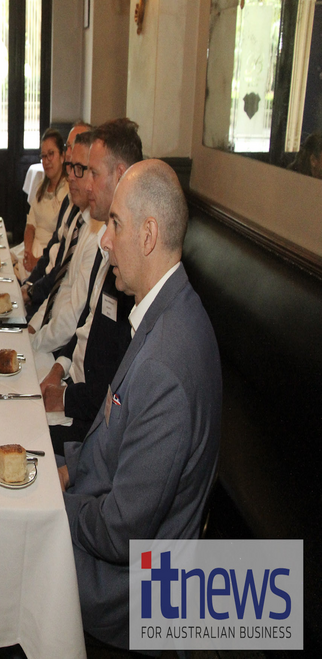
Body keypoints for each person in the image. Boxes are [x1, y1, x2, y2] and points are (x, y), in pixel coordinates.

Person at [60, 159, 222, 651]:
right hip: (113, 529)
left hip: (128, 596)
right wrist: (66, 468)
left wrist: (55, 504)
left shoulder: (166, 365)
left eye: (115, 224)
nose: (104, 239)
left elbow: (119, 535)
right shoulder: (168, 309)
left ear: (148, 234)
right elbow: (114, 439)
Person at [35, 120, 143, 438]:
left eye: (92, 173)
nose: (84, 184)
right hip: (72, 386)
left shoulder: (129, 263)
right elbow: (84, 320)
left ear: (120, 175)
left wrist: (65, 396)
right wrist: (59, 369)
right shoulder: (104, 235)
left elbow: (115, 390)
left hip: (88, 421)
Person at [22, 125, 92, 316]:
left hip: (55, 293)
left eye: (51, 154)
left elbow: (61, 274)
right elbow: (34, 227)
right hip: (44, 266)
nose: (70, 153)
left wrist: (31, 291)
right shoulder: (60, 197)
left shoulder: (71, 195)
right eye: (69, 146)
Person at [12, 128, 70, 282]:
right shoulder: (40, 188)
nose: (46, 161)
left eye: (51, 154)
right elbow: (30, 225)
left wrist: (37, 261)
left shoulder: (68, 193)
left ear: (62, 156)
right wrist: (28, 252)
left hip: (49, 256)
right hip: (31, 249)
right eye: (43, 156)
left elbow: (63, 242)